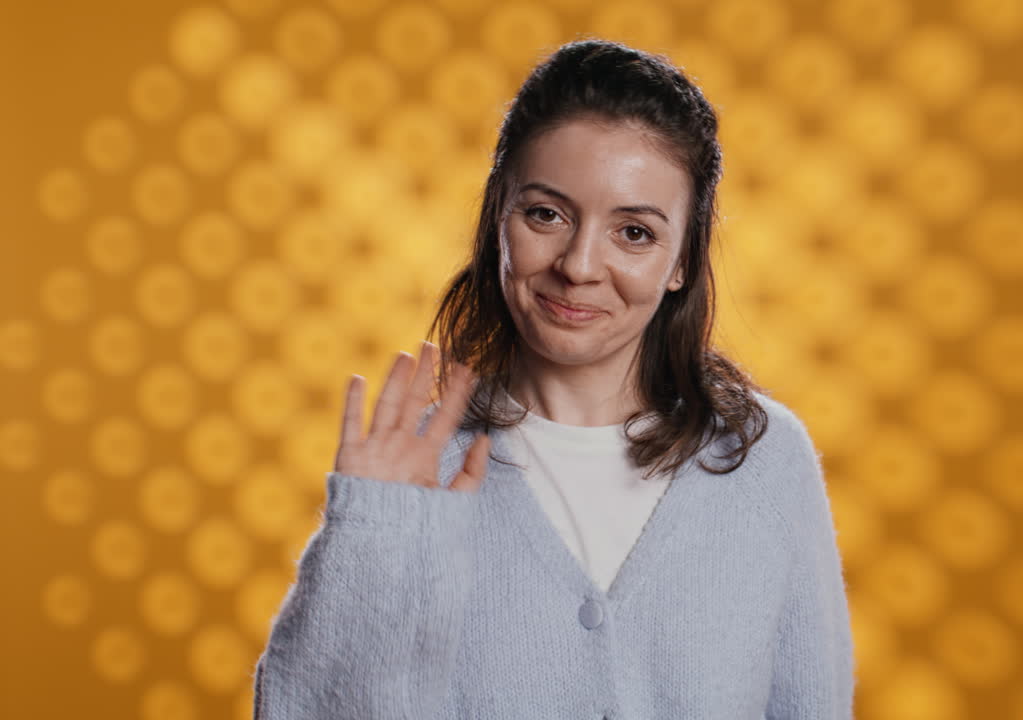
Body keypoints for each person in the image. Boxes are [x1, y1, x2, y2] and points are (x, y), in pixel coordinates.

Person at [252, 38, 854, 719]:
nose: (579, 265)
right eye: (546, 214)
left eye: (634, 232)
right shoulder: (418, 469)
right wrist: (369, 540)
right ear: (497, 221)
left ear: (681, 261)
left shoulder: (764, 462)